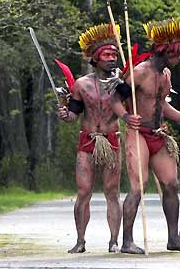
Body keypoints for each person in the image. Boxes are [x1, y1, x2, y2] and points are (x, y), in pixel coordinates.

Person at [110, 16, 180, 254]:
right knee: (139, 185)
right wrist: (127, 117)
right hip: (138, 133)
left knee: (171, 183)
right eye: (177, 54)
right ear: (165, 52)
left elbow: (163, 106)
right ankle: (127, 241)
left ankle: (174, 239)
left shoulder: (165, 75)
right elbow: (116, 100)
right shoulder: (139, 72)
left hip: (158, 135)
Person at [57, 23, 123, 254]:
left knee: (111, 192)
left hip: (111, 139)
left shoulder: (123, 86)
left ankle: (114, 240)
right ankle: (80, 240)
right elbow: (74, 115)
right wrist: (66, 114)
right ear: (95, 59)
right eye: (106, 55)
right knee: (83, 191)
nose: (111, 58)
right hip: (87, 141)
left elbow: (136, 105)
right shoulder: (81, 85)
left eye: (114, 55)